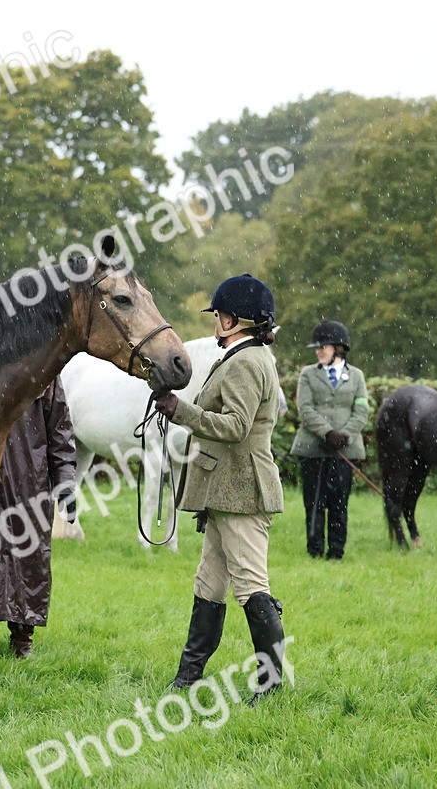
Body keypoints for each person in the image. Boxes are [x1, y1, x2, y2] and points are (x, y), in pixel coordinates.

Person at [154, 274, 286, 700]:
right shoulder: (243, 355)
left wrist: (183, 412)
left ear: (235, 320)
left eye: (221, 314)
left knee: (251, 586)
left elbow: (236, 427)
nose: (216, 320)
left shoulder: (247, 362)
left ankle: (271, 683)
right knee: (208, 584)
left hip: (241, 489)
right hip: (223, 488)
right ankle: (187, 677)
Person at [0, 378, 77, 658]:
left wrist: (65, 479)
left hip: (28, 479)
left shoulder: (43, 368)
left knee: (28, 559)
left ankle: (22, 637)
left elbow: (59, 427)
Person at [290, 321, 370, 560]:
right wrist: (327, 433)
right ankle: (314, 550)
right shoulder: (307, 374)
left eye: (322, 346)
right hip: (313, 449)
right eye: (317, 347)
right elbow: (305, 408)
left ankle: (336, 551)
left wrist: (345, 435)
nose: (318, 351)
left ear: (339, 348)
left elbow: (362, 410)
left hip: (345, 450)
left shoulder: (356, 376)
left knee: (339, 503)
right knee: (314, 502)